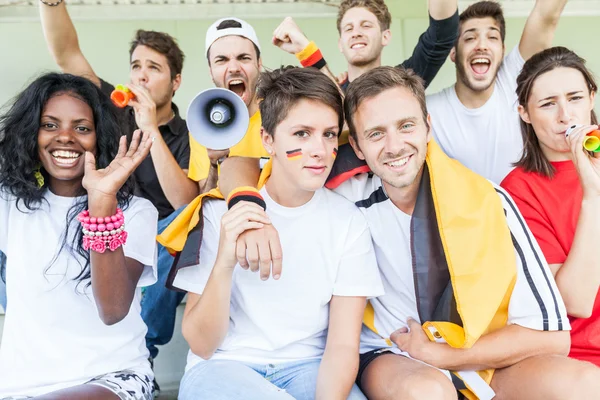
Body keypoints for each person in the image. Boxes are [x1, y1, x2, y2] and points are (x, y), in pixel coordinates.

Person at [217, 65, 600, 399]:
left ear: (428, 127)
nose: (395, 145)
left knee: (586, 383)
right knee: (428, 391)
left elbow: (553, 338)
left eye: (406, 126)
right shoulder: (344, 192)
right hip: (391, 355)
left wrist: (447, 356)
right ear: (359, 148)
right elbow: (242, 163)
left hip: (479, 352)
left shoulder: (487, 200)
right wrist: (248, 204)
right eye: (376, 133)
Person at [169, 67, 383, 400]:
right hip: (224, 367)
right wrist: (225, 261)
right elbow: (202, 344)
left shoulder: (348, 222)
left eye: (328, 134)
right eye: (301, 133)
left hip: (309, 367)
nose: (320, 150)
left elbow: (342, 346)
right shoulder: (217, 212)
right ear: (267, 140)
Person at [39, 2, 195, 385]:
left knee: (184, 223)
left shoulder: (191, 134)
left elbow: (184, 203)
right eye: (136, 67)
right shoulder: (111, 108)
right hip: (106, 229)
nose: (141, 77)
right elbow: (67, 54)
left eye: (154, 69)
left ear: (175, 82)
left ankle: (145, 351)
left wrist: (149, 129)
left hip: (160, 239)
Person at [0, 73, 158, 400]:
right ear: (32, 134)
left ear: (99, 138)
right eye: (50, 125)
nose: (66, 137)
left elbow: (113, 309)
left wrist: (102, 202)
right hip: (20, 387)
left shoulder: (136, 213)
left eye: (82, 128)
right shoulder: (9, 204)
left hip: (111, 377)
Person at [501, 46, 600, 368]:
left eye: (575, 98)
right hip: (579, 359)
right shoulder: (518, 190)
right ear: (525, 114)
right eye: (547, 104)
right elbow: (576, 301)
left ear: (592, 98)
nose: (565, 115)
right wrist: (593, 196)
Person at [427, 0, 567, 184]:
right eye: (470, 38)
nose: (481, 45)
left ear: (502, 50)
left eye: (492, 37)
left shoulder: (513, 79)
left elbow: (546, 15)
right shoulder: (429, 109)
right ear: (453, 53)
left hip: (523, 210)